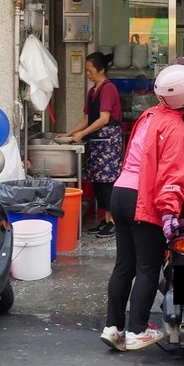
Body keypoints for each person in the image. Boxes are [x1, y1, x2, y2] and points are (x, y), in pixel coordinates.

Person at [100, 65, 184, 352]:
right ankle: (137, 330)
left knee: (124, 265)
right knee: (147, 267)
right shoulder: (176, 129)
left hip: (120, 193)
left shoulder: (149, 115)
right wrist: (168, 212)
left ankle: (113, 327)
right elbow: (173, 175)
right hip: (142, 199)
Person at [62, 52, 123, 239]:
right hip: (97, 141)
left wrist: (82, 134)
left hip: (108, 142)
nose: (88, 74)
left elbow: (104, 119)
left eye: (90, 71)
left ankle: (113, 222)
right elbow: (87, 118)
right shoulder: (92, 91)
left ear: (101, 70)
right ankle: (105, 220)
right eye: (87, 71)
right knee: (98, 182)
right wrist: (69, 133)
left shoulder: (108, 89)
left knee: (108, 182)